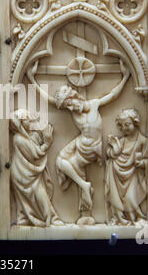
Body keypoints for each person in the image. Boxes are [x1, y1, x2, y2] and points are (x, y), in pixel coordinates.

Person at [54, 62, 130, 225]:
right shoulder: (74, 113)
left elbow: (113, 95)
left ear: (75, 97)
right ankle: (85, 186)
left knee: (72, 166)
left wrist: (126, 76)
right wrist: (32, 80)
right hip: (80, 143)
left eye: (71, 103)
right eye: (68, 107)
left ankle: (85, 202)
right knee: (60, 161)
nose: (72, 108)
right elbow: (50, 102)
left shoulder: (94, 104)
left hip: (92, 149)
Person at [10, 109, 64, 227]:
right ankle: (50, 218)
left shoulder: (26, 137)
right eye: (27, 121)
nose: (30, 123)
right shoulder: (19, 139)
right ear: (20, 124)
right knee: (40, 195)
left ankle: (24, 219)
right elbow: (36, 153)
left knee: (30, 198)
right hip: (23, 174)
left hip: (27, 173)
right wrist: (47, 143)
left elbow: (34, 143)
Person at [105, 109, 148, 225]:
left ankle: (136, 217)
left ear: (135, 122)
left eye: (128, 124)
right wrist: (115, 148)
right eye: (122, 126)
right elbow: (109, 154)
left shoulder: (143, 141)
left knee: (130, 199)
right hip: (117, 174)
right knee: (117, 198)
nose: (125, 128)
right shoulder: (122, 140)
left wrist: (142, 163)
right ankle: (119, 217)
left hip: (134, 175)